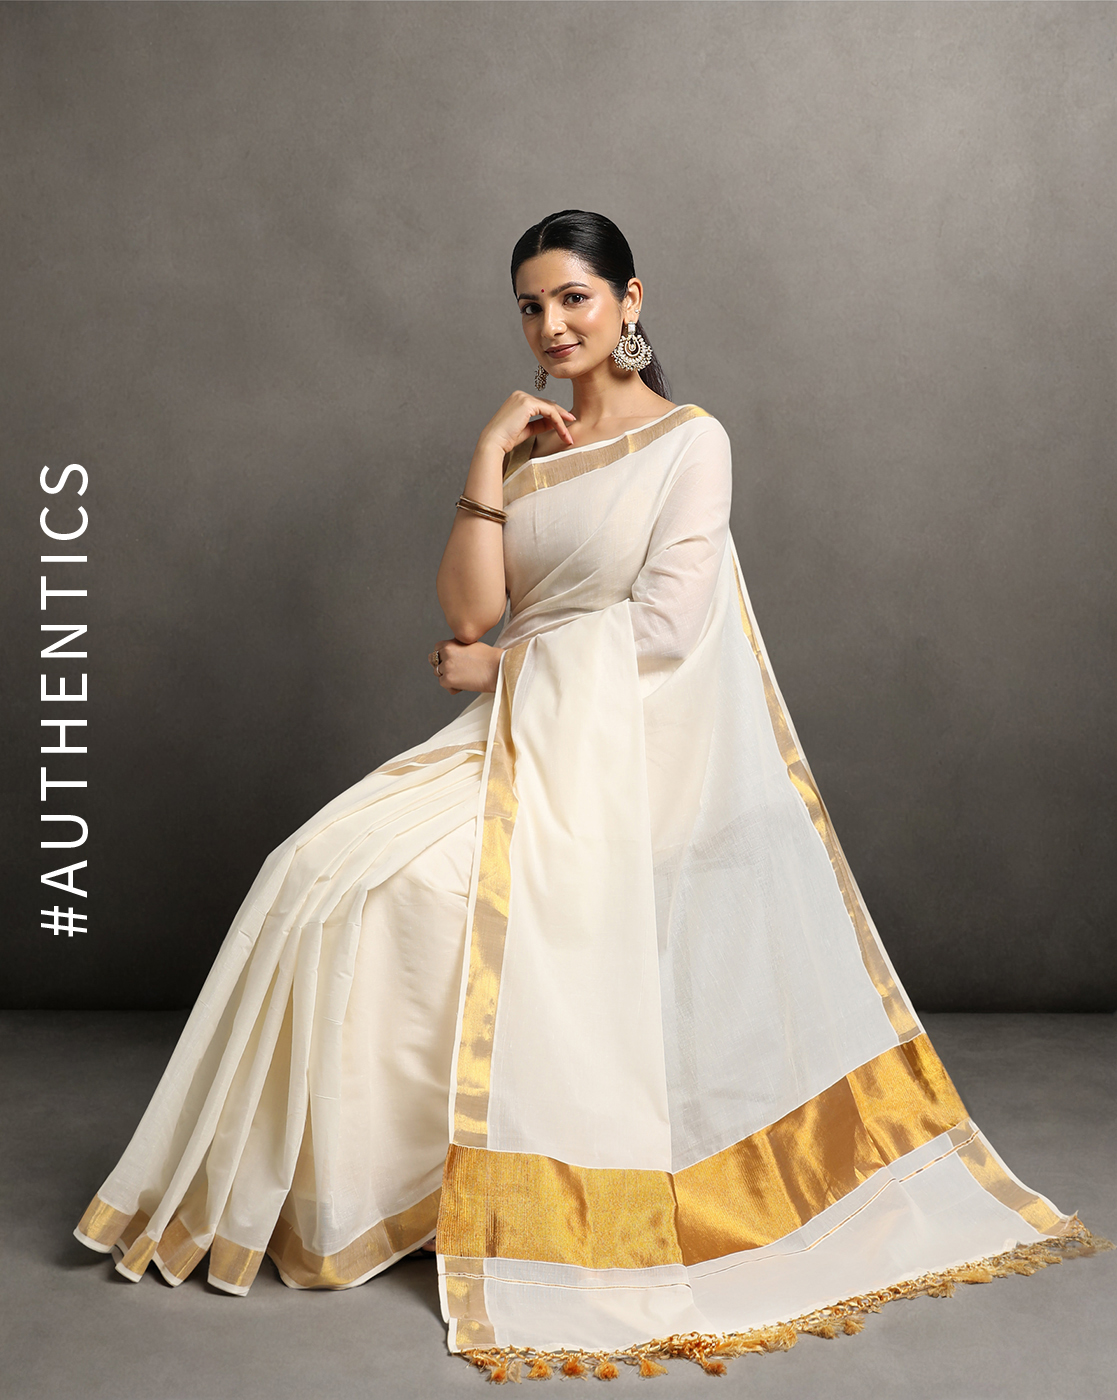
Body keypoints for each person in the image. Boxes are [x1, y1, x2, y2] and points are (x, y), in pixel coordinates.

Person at [74, 210, 1108, 1377]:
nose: (553, 324)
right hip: (520, 730)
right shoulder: (530, 451)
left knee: (411, 892)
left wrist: (501, 670)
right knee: (311, 869)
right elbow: (470, 612)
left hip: (635, 746)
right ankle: (335, 1196)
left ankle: (454, 1179)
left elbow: (664, 630)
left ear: (629, 301)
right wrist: (487, 453)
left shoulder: (689, 442)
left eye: (574, 297)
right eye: (531, 306)